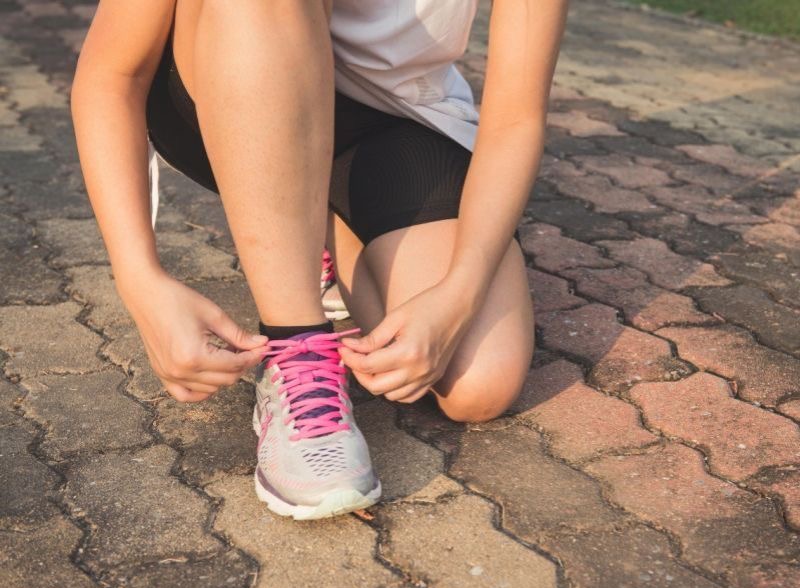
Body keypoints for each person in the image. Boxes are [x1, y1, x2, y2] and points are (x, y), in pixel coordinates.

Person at [71, 0, 569, 519]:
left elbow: (516, 118)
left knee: (477, 383)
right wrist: (139, 278)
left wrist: (458, 294)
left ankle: (311, 229)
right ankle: (296, 349)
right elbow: (112, 75)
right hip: (230, 72)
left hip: (395, 117)